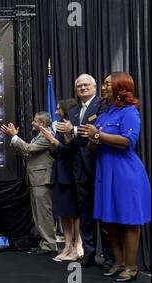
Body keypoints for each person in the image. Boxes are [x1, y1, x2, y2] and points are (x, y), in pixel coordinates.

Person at [79, 72, 150, 282]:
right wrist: (92, 140)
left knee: (128, 221)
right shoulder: (104, 114)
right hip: (105, 173)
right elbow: (95, 145)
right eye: (103, 84)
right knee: (110, 222)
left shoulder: (129, 112)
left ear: (120, 87)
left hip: (125, 173)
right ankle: (118, 263)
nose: (103, 87)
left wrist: (98, 135)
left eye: (108, 84)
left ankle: (131, 266)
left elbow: (128, 141)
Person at [55, 74, 113, 269]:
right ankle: (88, 254)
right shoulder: (71, 111)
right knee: (85, 215)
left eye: (86, 85)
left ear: (95, 87)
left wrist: (74, 130)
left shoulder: (103, 106)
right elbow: (68, 143)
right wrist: (67, 137)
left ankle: (108, 257)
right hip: (79, 170)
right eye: (79, 85)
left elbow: (97, 130)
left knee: (104, 216)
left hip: (100, 167)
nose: (82, 88)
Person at [2, 112, 57, 255]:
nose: (32, 123)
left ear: (43, 124)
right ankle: (44, 243)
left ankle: (49, 245)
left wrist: (14, 137)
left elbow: (28, 149)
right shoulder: (37, 137)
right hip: (36, 179)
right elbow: (26, 154)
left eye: (35, 121)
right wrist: (14, 141)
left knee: (43, 214)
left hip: (42, 180)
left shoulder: (46, 135)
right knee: (38, 214)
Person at [39, 99, 83, 261]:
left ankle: (78, 244)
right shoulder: (59, 126)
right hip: (58, 173)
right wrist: (52, 145)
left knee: (74, 212)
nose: (56, 112)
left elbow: (70, 151)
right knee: (63, 212)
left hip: (71, 175)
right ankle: (67, 246)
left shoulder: (71, 128)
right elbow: (56, 153)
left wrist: (53, 141)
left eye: (59, 109)